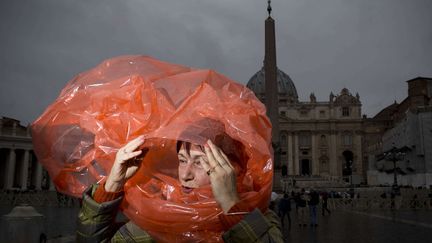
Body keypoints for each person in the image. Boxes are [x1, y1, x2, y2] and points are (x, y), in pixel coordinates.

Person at [76, 136, 283, 242]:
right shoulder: (156, 220)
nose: (185, 174)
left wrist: (231, 204)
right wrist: (113, 183)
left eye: (200, 162)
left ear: (230, 169)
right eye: (182, 160)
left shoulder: (263, 220)